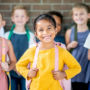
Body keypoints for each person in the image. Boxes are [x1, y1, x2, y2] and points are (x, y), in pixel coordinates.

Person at [16, 14, 81, 90]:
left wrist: (64, 74)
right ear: (36, 34)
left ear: (55, 30)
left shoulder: (62, 52)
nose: (45, 32)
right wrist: (27, 73)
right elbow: (19, 65)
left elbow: (76, 68)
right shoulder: (31, 51)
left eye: (49, 28)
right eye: (41, 30)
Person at [4, 5, 35, 90]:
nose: (20, 18)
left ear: (27, 18)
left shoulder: (31, 36)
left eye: (22, 16)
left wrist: (23, 68)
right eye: (17, 16)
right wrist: (13, 66)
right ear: (12, 18)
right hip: (11, 70)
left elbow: (32, 54)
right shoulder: (7, 36)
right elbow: (4, 53)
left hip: (26, 71)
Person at [65, 3, 90, 90]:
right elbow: (66, 50)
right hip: (75, 61)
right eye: (76, 14)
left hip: (87, 62)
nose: (79, 16)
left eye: (82, 13)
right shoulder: (69, 31)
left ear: (88, 15)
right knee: (75, 85)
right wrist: (70, 45)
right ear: (73, 17)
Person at [0, 13, 17, 90]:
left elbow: (13, 61)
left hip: (2, 82)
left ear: (3, 23)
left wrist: (8, 68)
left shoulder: (7, 43)